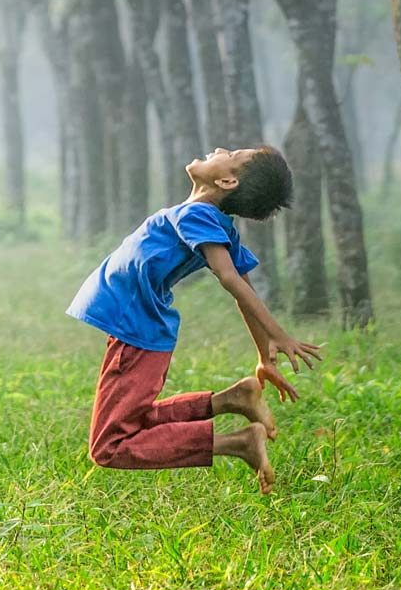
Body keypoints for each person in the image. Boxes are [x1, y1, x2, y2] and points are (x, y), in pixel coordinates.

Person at [68, 146, 321, 493]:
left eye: (230, 154)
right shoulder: (210, 221)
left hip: (137, 330)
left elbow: (232, 280)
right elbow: (243, 289)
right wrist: (264, 356)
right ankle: (234, 399)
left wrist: (278, 336)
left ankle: (239, 443)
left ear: (227, 180)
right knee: (134, 421)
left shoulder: (199, 215)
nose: (219, 149)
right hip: (137, 327)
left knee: (110, 446)